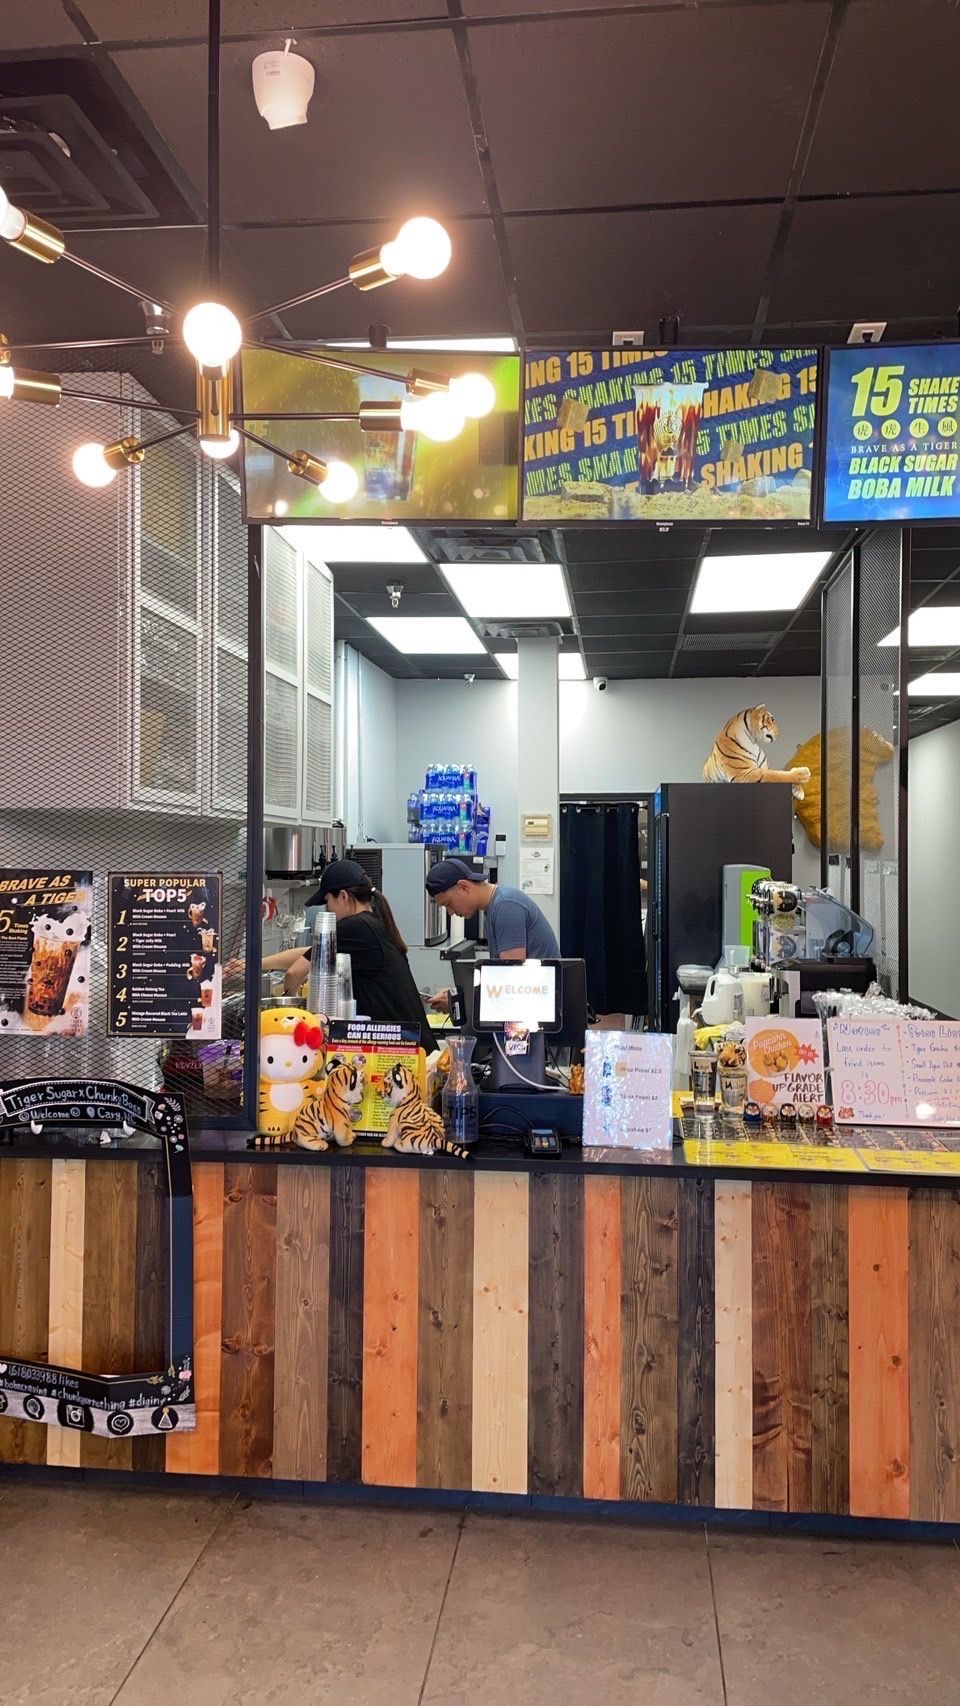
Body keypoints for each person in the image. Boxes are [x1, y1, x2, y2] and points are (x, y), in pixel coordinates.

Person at [227, 859, 430, 1035]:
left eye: (327, 901)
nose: (328, 909)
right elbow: (311, 953)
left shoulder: (353, 927)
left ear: (343, 896)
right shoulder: (370, 922)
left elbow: (294, 972)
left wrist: (290, 1007)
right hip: (412, 1043)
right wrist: (253, 964)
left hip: (405, 1050)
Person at [425, 858, 560, 1011]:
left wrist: (458, 999)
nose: (450, 912)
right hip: (534, 1002)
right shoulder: (494, 907)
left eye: (448, 904)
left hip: (543, 1008)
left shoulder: (506, 906)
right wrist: (457, 995)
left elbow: (512, 982)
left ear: (463, 886)